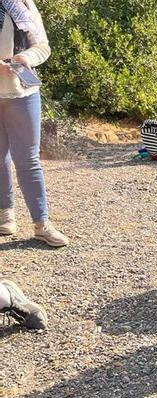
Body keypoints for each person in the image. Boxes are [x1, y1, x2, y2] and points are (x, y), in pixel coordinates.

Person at [0, 0, 68, 247]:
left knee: (28, 160)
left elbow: (43, 46)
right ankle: (5, 214)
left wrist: (25, 57)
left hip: (22, 92)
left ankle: (42, 224)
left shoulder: (24, 4)